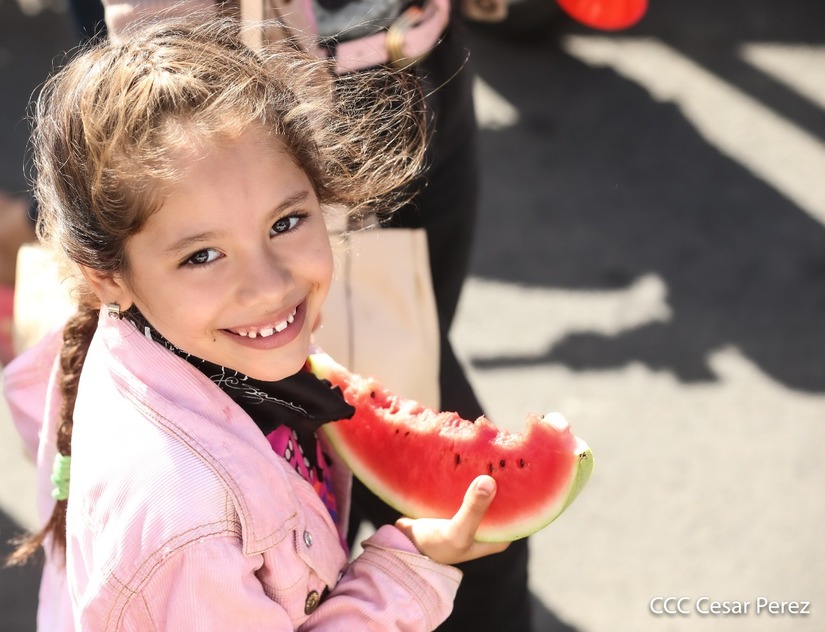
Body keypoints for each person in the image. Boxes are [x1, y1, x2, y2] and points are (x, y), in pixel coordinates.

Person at [4, 16, 513, 629]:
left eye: (286, 223)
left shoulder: (197, 349)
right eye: (203, 256)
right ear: (108, 278)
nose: (270, 286)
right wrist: (406, 573)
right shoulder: (189, 528)